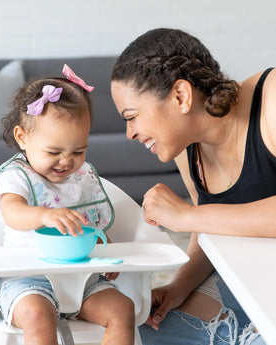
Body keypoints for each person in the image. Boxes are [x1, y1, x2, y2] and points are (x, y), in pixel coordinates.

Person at [111, 28, 275, 345]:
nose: (130, 133)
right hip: (252, 282)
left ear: (181, 96)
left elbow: (197, 218)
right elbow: (209, 232)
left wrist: (186, 216)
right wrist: (179, 286)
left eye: (132, 116)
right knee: (144, 332)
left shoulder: (271, 100)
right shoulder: (189, 150)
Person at [0, 65, 135, 345]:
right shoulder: (17, 176)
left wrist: (101, 240)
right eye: (54, 151)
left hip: (83, 282)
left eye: (78, 151)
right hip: (29, 281)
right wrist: (44, 215)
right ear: (23, 137)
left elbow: (88, 224)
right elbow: (11, 212)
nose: (66, 161)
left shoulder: (81, 178)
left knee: (123, 309)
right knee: (37, 315)